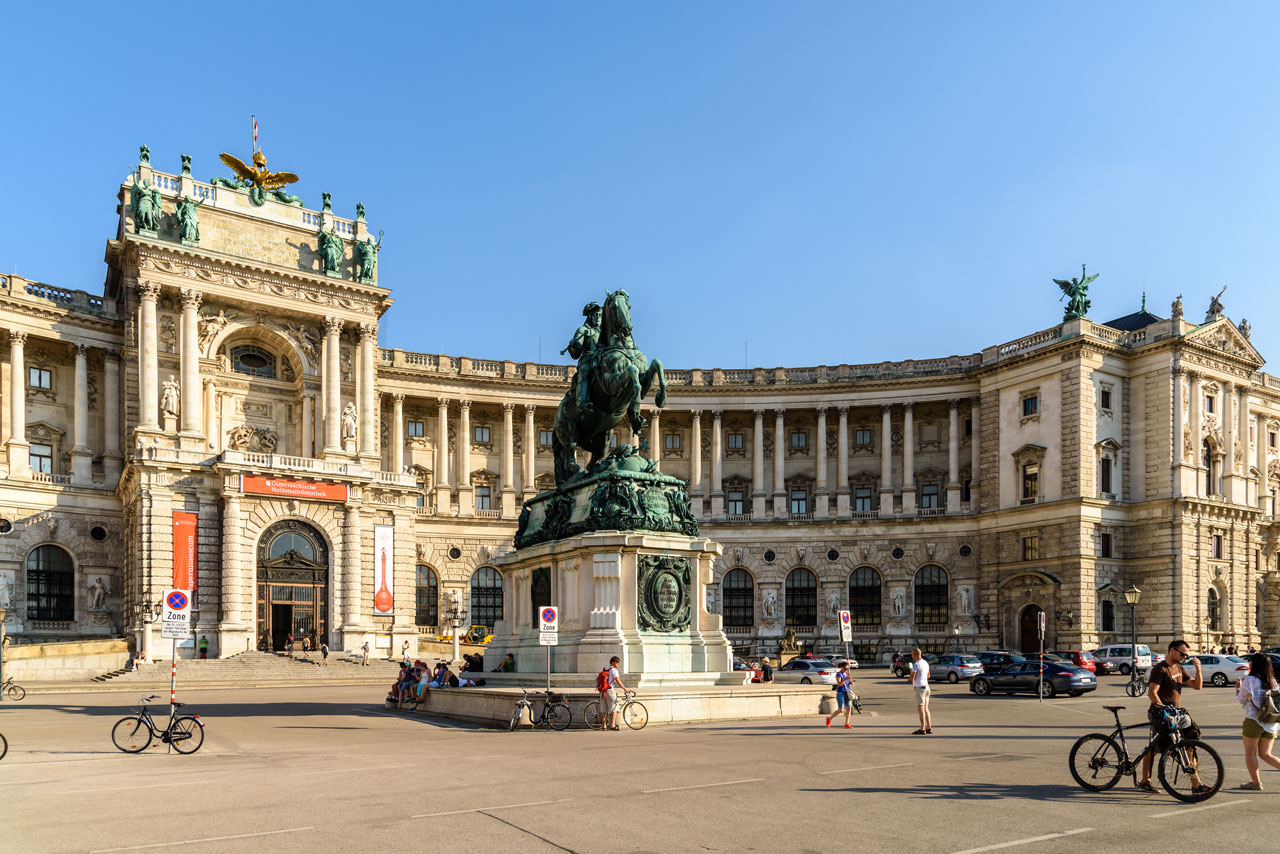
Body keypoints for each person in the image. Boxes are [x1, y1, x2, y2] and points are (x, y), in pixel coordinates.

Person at [1139, 639, 1206, 794]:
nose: (1184, 656)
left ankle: (1196, 785)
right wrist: (1163, 709)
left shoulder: (1179, 668)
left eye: (1186, 655)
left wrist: (1198, 669)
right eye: (1182, 653)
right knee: (1153, 749)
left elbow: (1197, 686)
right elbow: (1152, 692)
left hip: (1176, 714)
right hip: (1160, 714)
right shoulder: (1160, 669)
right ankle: (1145, 781)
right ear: (1172, 651)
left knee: (1189, 744)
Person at [1235, 653, 1280, 790]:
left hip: (1254, 720)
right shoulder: (1273, 680)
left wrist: (1238, 688)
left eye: (1250, 662)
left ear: (1254, 665)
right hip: (1271, 721)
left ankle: (1255, 782)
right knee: (1266, 754)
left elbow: (1241, 700)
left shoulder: (1250, 680)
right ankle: (1255, 782)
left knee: (1250, 753)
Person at [599, 656, 629, 731]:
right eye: (618, 663)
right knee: (614, 708)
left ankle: (604, 726)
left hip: (603, 691)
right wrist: (625, 689)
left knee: (603, 710)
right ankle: (612, 725)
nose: (618, 665)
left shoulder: (605, 669)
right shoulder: (614, 670)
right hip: (610, 690)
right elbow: (618, 681)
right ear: (614, 662)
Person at [826, 661, 855, 729]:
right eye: (845, 668)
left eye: (847, 669)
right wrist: (845, 679)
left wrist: (851, 682)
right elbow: (839, 684)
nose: (846, 670)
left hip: (847, 692)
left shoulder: (846, 674)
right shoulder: (838, 674)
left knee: (848, 708)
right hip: (840, 692)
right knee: (841, 710)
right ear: (841, 667)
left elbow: (848, 682)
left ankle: (847, 723)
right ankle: (829, 718)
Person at [909, 647, 932, 735]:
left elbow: (912, 677)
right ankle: (929, 727)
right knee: (926, 708)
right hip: (926, 686)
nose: (912, 656)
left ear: (915, 655)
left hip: (920, 688)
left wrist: (910, 678)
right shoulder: (925, 663)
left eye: (912, 655)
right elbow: (928, 675)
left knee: (920, 708)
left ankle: (922, 728)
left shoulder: (916, 664)